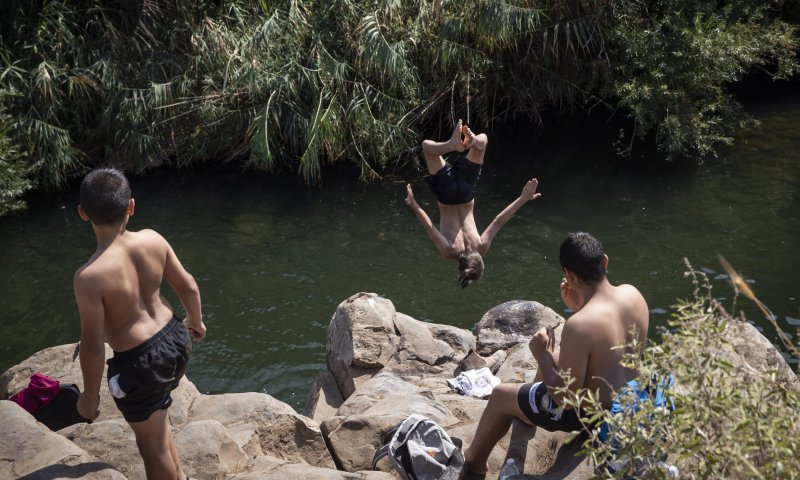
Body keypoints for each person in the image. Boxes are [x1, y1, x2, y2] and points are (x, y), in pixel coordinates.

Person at [461, 232, 649, 479]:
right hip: (627, 397)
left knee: (499, 394)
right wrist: (580, 308)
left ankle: (474, 465)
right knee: (561, 355)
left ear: (569, 275)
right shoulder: (632, 293)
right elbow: (604, 336)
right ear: (604, 261)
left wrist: (542, 356)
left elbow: (566, 400)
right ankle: (526, 412)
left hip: (589, 414)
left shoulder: (579, 325)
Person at [74, 168, 206, 480]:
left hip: (140, 364)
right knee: (157, 421)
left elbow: (92, 346)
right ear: (131, 206)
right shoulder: (152, 239)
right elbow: (188, 285)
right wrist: (196, 322)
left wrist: (90, 397)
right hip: (176, 339)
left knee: (151, 447)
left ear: (82, 214)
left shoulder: (89, 277)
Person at [405, 119, 542, 288]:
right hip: (446, 195)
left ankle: (472, 142)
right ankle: (450, 145)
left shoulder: (481, 247)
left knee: (482, 141)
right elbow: (428, 226)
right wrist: (413, 203)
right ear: (460, 267)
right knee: (427, 147)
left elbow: (498, 220)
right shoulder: (448, 252)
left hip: (466, 192)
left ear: (480, 261)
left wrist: (523, 198)